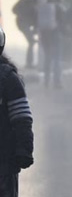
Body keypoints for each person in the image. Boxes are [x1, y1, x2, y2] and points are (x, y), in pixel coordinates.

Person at [0, 27, 34, 197]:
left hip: (4, 161)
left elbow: (21, 118)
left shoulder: (7, 78)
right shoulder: (8, 77)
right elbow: (22, 118)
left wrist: (24, 150)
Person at [10, 0, 37, 70]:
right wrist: (22, 14)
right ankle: (29, 63)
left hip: (26, 24)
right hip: (22, 24)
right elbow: (14, 10)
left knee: (31, 42)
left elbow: (35, 20)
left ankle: (29, 62)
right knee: (31, 42)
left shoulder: (35, 7)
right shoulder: (25, 1)